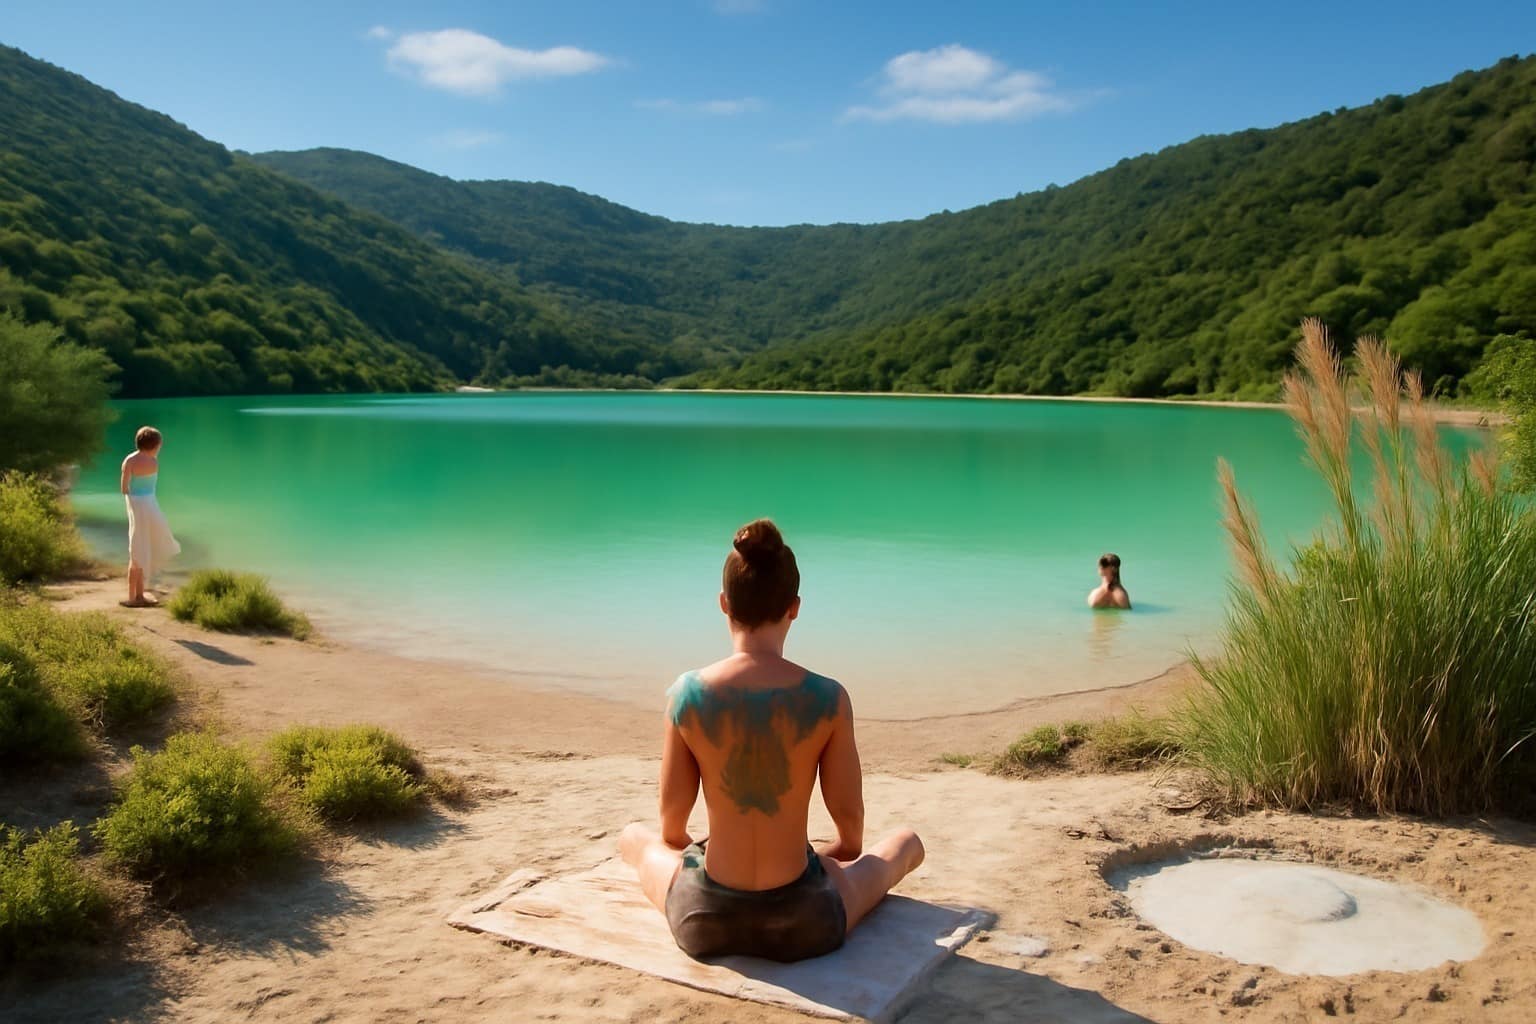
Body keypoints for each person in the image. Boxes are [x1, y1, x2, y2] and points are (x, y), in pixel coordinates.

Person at [620, 518, 924, 962]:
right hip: (806, 921)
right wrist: (820, 860)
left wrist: (706, 852)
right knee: (904, 843)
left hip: (704, 918)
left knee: (635, 838)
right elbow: (851, 835)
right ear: (794, 607)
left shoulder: (687, 694)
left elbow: (671, 828)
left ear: (724, 604)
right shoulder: (828, 698)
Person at [120, 426, 180, 607]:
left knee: (136, 549)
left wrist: (132, 498)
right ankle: (137, 596)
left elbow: (124, 488)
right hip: (151, 507)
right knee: (146, 546)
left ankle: (135, 596)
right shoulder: (154, 463)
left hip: (136, 508)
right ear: (155, 446)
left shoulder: (129, 461)